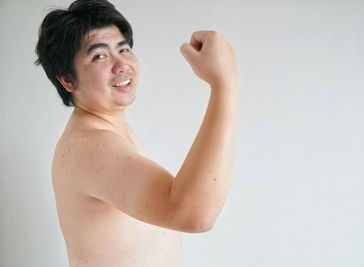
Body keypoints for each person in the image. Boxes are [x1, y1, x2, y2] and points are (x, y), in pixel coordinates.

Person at [35, 0, 239, 266]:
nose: (122, 65)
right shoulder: (90, 146)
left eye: (124, 49)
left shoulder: (112, 131)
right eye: (99, 56)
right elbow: (195, 214)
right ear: (67, 80)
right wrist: (225, 82)